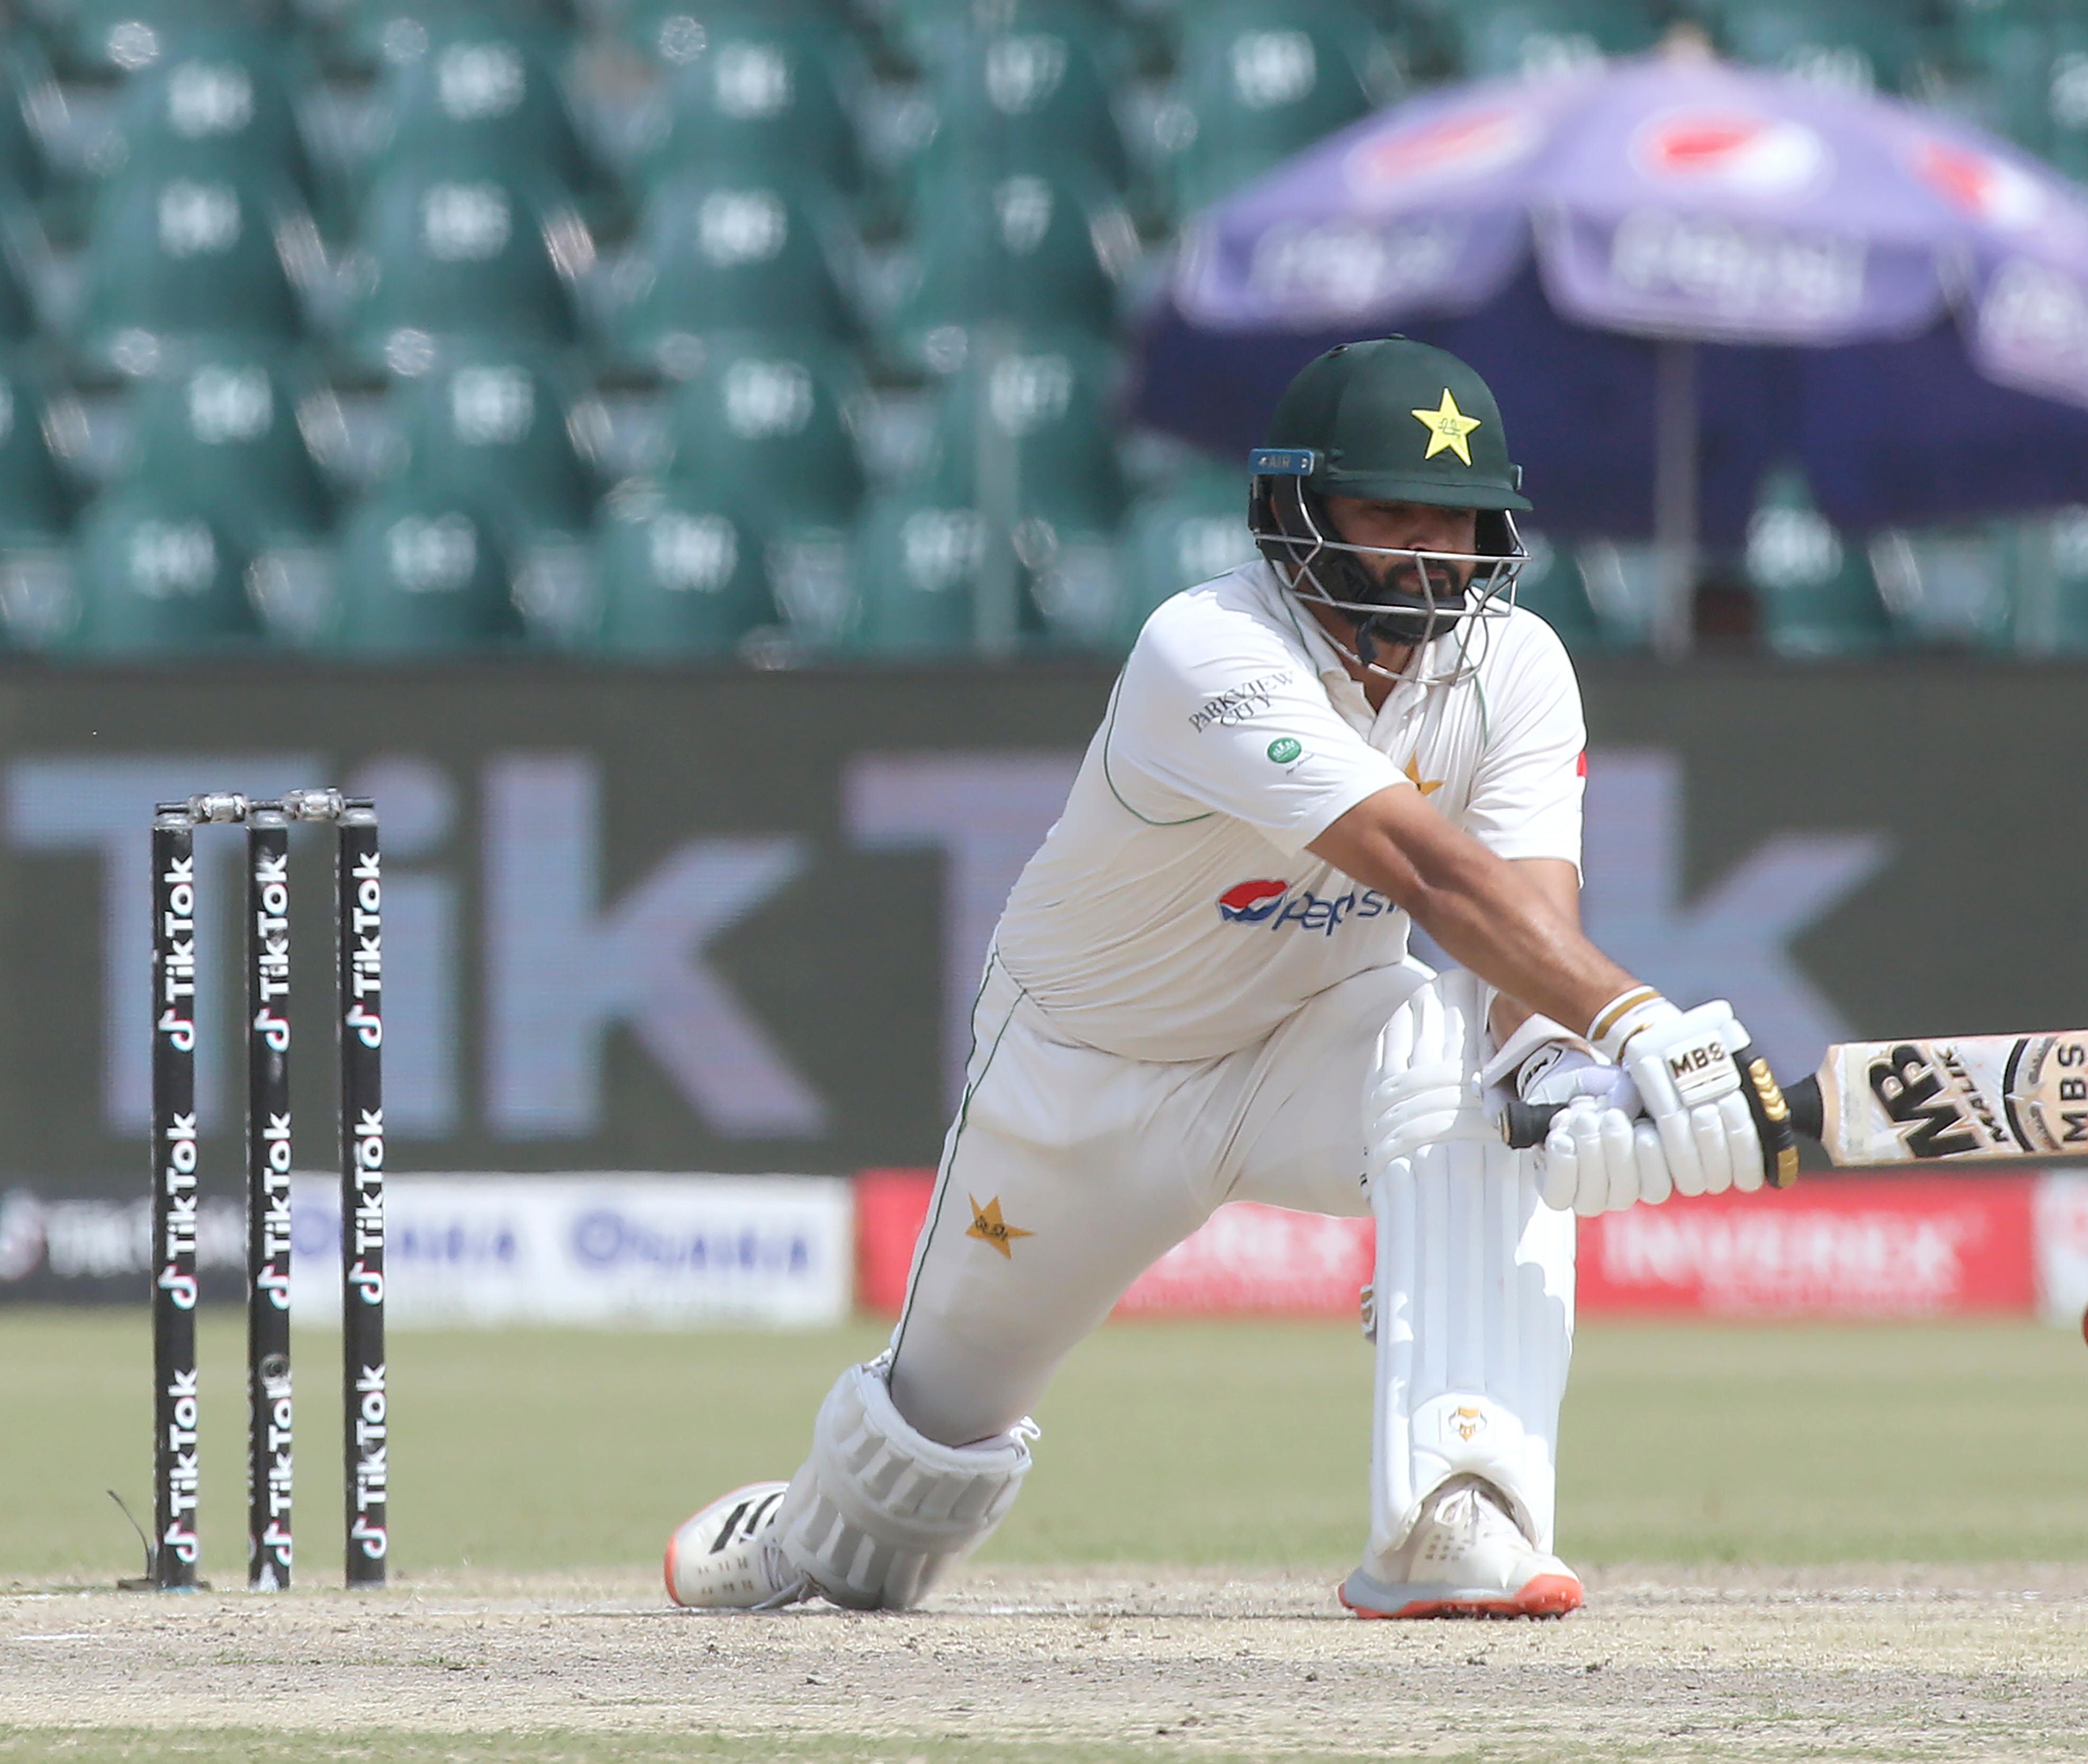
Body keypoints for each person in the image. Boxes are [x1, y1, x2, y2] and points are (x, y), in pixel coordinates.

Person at [661, 338, 1795, 1621]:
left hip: (1312, 1044)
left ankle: (1454, 1510)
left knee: (1475, 1079)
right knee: (909, 1489)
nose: (1429, 551)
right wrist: (1640, 1024)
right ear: (1292, 509)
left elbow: (1524, 924)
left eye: (1456, 518)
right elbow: (1430, 875)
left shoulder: (1519, 663)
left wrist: (1557, 1072)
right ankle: (809, 1525)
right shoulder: (1203, 649)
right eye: (1389, 512)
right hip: (1085, 1080)